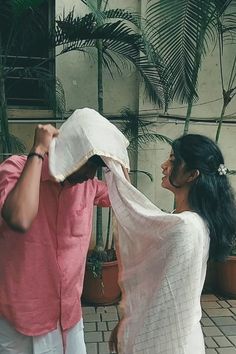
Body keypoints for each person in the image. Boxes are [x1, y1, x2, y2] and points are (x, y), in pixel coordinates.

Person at [107, 134, 236, 354]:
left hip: (169, 342)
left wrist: (118, 180)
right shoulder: (193, 220)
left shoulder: (185, 226)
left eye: (174, 160)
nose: (164, 166)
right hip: (181, 337)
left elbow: (140, 225)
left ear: (192, 175)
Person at [0, 123, 110, 354]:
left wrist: (116, 158)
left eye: (97, 167)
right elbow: (19, 218)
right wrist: (39, 148)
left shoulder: (88, 184)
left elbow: (125, 197)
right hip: (20, 320)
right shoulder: (17, 168)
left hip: (67, 317)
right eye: (89, 164)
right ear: (69, 150)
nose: (92, 174)